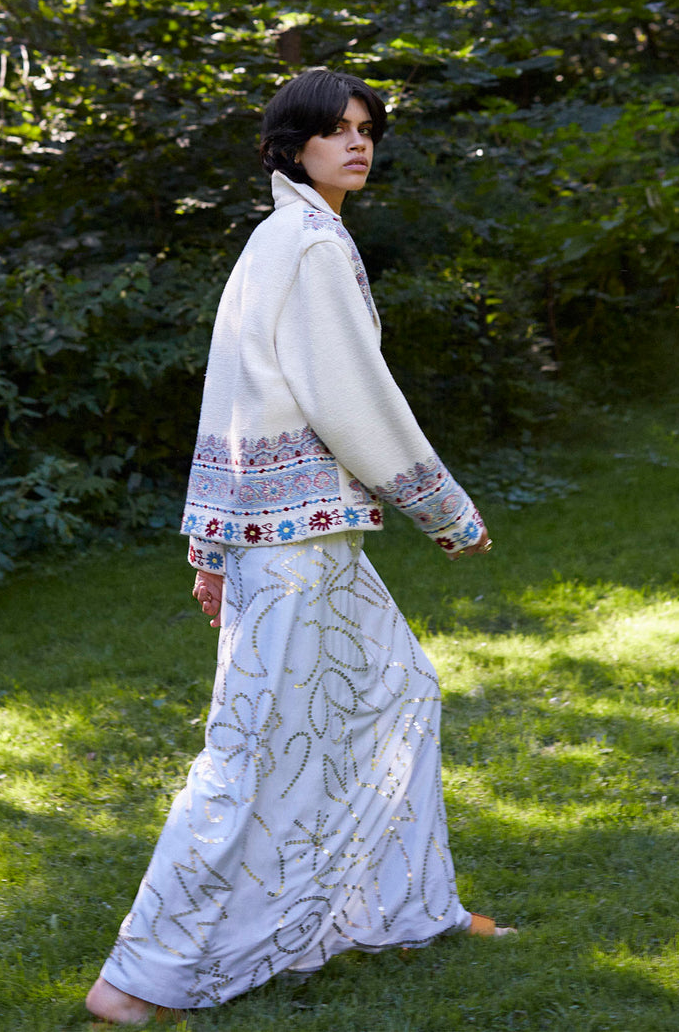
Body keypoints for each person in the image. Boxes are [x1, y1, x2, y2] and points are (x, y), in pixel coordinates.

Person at [86, 68, 511, 1025]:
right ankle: (137, 980)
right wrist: (443, 508)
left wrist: (210, 543)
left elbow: (229, 398)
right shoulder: (308, 245)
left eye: (368, 129)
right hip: (293, 546)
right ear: (291, 146)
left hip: (292, 539)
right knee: (252, 748)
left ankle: (403, 912)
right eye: (336, 130)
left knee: (397, 693)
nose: (358, 144)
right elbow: (353, 398)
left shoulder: (285, 237)